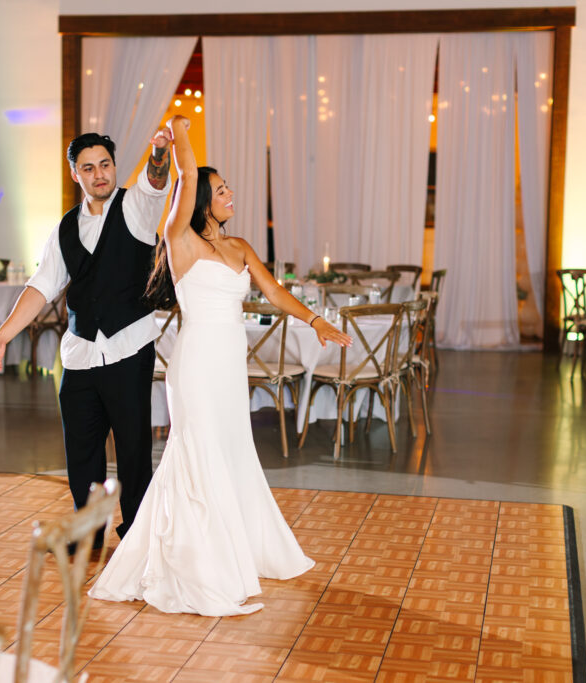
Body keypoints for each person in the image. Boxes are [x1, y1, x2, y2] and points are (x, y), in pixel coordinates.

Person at [89, 115, 352, 616]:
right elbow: (186, 176)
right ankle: (199, 565)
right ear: (204, 200)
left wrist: (314, 320)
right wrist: (180, 131)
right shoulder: (179, 240)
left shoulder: (239, 247)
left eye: (230, 187)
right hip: (195, 367)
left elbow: (274, 292)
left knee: (231, 450)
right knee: (199, 451)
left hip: (229, 369)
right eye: (223, 188)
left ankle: (238, 550)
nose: (231, 193)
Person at [0, 129, 173, 544]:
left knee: (134, 451)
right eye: (89, 167)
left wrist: (159, 150)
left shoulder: (136, 207)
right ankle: (88, 532)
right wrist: (1, 338)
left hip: (129, 348)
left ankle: (138, 535)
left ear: (114, 167)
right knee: (82, 454)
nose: (99, 174)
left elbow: (157, 179)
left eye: (105, 165)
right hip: (80, 355)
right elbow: (40, 287)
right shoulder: (65, 228)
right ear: (75, 174)